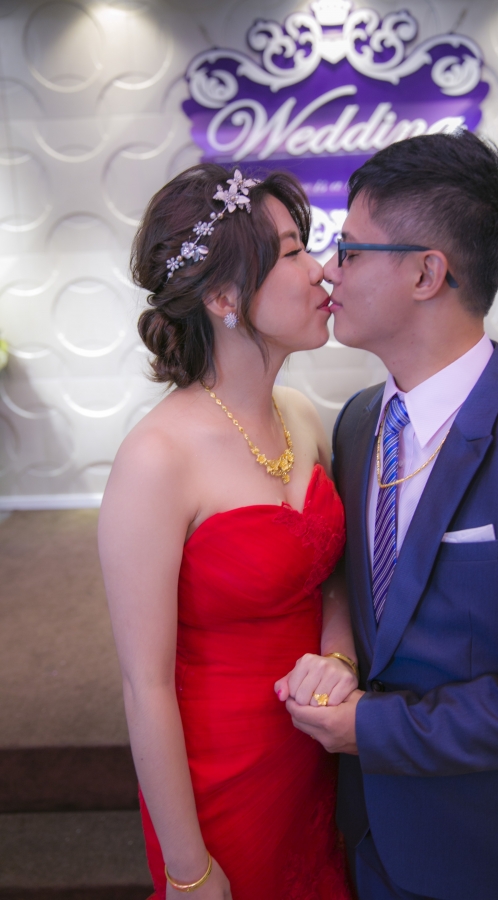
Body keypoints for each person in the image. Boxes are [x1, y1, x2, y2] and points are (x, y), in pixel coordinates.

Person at [283, 131, 498, 900]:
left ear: (427, 273)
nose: (328, 270)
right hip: (366, 835)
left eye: (350, 250)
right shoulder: (359, 422)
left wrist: (373, 729)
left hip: (488, 853)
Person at [98, 164, 356, 900]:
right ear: (221, 298)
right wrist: (188, 869)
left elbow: (333, 577)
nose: (322, 270)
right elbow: (144, 685)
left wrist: (338, 655)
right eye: (293, 252)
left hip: (311, 757)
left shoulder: (301, 414)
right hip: (220, 783)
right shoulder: (157, 460)